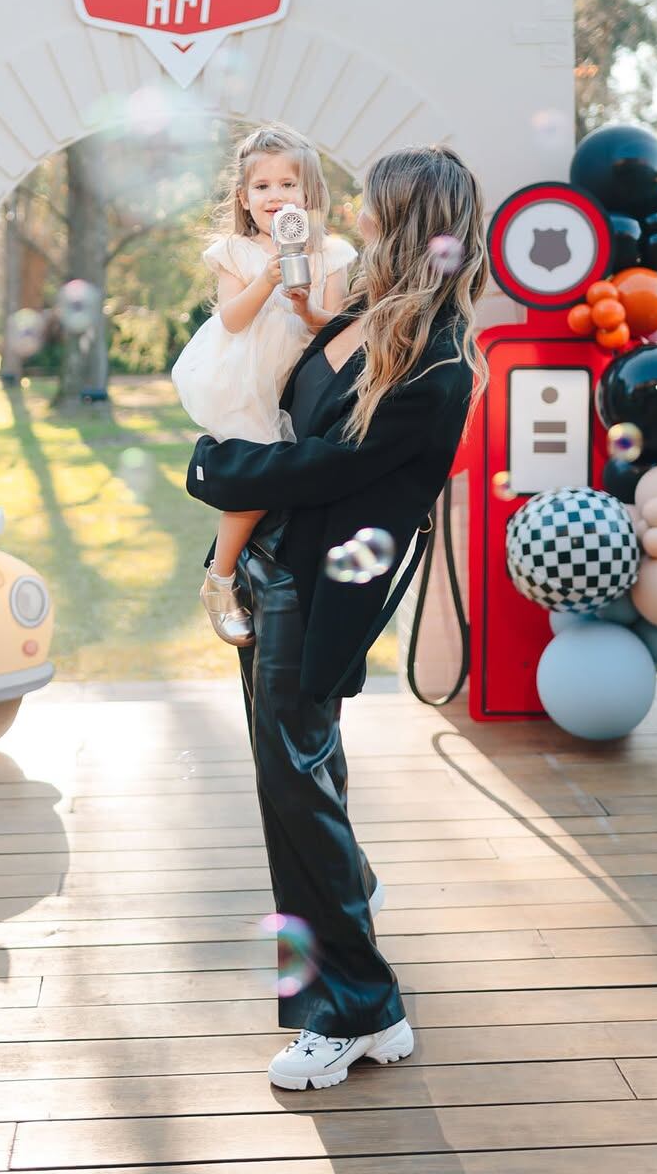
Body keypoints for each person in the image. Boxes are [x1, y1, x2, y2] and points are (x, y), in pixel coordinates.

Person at [185, 146, 489, 1090]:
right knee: (303, 781)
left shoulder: (438, 363)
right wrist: (227, 556)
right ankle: (358, 957)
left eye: (369, 205)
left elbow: (324, 469)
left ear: (401, 222)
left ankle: (351, 1009)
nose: (350, 214)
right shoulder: (359, 315)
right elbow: (286, 418)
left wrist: (211, 470)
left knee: (294, 793)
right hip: (274, 570)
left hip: (321, 592)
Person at [171, 123, 356, 646]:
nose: (275, 196)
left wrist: (306, 304)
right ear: (243, 197)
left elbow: (335, 327)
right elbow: (232, 319)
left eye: (287, 184)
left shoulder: (331, 253)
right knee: (257, 482)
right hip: (245, 378)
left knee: (294, 490)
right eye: (262, 187)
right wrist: (267, 280)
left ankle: (261, 577)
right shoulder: (235, 252)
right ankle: (219, 579)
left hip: (304, 383)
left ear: (310, 193)